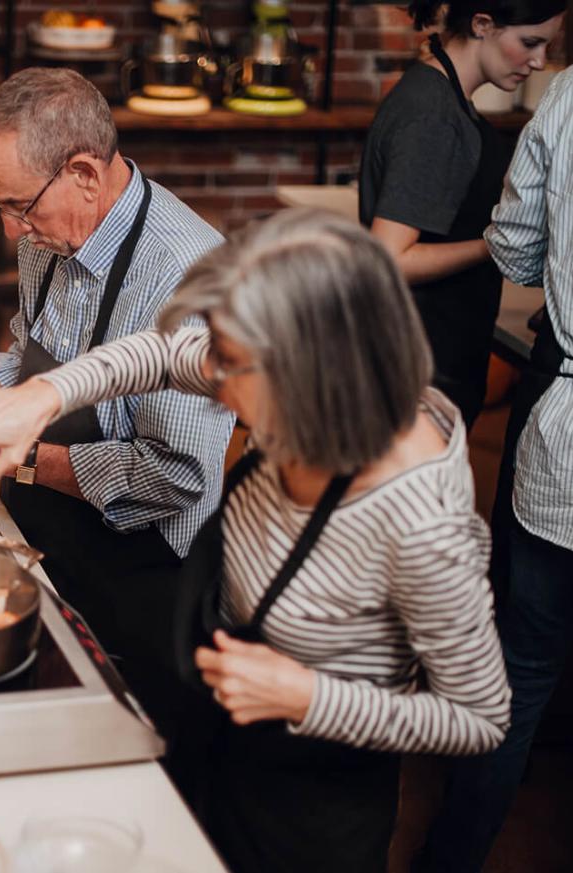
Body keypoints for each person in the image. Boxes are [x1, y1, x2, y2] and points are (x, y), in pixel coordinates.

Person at [0, 209, 512, 873]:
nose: (214, 385)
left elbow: (479, 715)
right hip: (212, 740)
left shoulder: (420, 521)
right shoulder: (290, 382)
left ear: (316, 372)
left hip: (309, 816)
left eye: (231, 368)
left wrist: (309, 696)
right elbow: (159, 353)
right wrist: (40, 396)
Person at [0, 68, 234, 732]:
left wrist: (9, 457)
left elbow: (175, 477)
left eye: (18, 205)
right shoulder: (50, 237)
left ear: (84, 173)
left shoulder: (184, 275)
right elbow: (29, 357)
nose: (11, 228)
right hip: (50, 544)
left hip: (142, 582)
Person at [413, 64, 573, 873]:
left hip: (566, 421)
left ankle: (450, 859)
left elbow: (513, 248)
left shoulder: (571, 98)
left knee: (527, 660)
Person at [359, 0, 565, 428]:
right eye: (529, 43)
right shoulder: (434, 115)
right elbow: (389, 259)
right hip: (418, 366)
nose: (539, 61)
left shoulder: (438, 94)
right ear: (482, 24)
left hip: (429, 353)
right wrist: (499, 242)